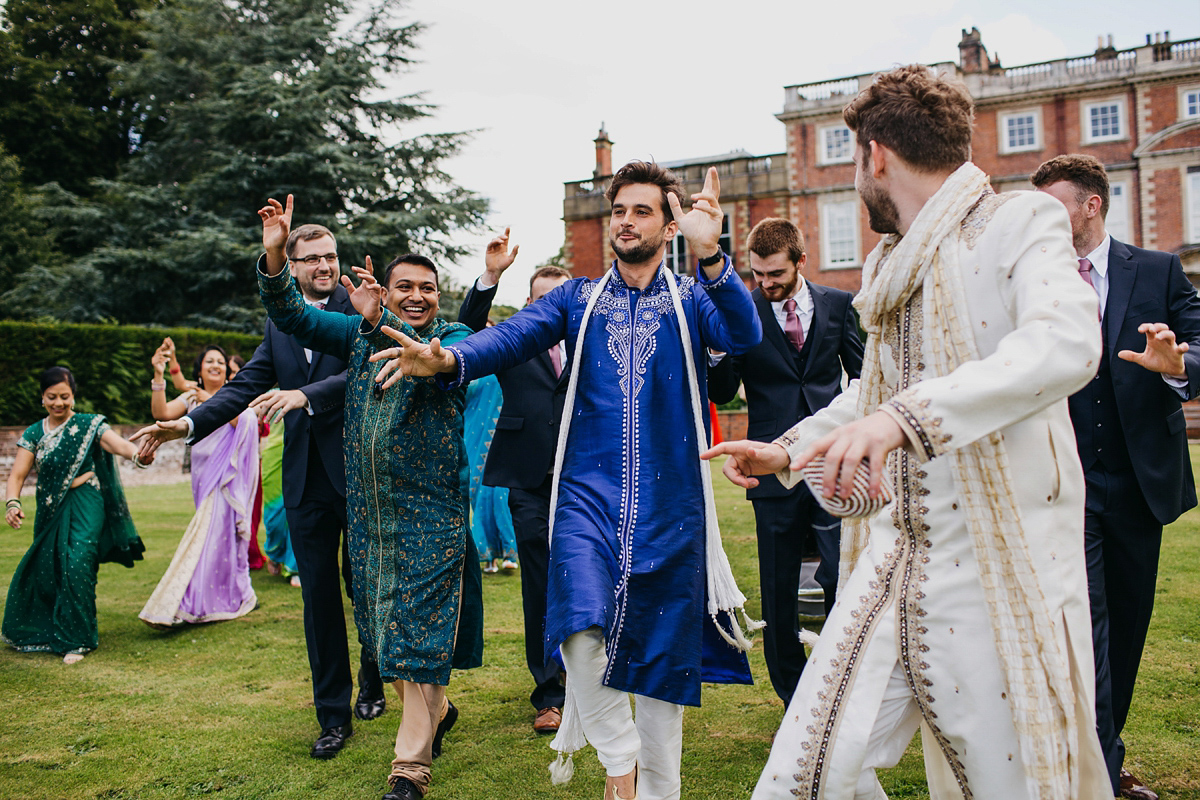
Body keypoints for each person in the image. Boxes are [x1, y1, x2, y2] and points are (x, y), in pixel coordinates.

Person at [704, 65, 1112, 799]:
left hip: (996, 579)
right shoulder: (889, 264)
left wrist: (907, 420)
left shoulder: (1019, 223)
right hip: (892, 565)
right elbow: (872, 393)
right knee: (802, 777)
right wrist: (787, 450)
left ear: (875, 155)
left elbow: (1066, 340)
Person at [373, 161, 762, 800]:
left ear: (668, 226)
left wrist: (713, 251)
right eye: (619, 211)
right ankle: (619, 757)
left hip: (672, 501)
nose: (626, 222)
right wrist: (450, 358)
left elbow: (743, 335)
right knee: (577, 623)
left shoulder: (691, 298)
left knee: (661, 655)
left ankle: (658, 790)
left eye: (641, 211)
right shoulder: (577, 300)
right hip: (584, 496)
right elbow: (512, 337)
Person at [254, 195, 484, 800]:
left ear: (439, 294)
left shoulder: (453, 338)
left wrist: (396, 325)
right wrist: (277, 252)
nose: (416, 296)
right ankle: (436, 712)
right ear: (387, 286)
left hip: (432, 515)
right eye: (403, 286)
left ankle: (409, 770)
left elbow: (435, 358)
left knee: (417, 639)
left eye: (427, 288)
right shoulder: (355, 335)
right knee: (383, 636)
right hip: (370, 519)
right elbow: (294, 317)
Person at [132, 223, 386, 760]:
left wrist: (305, 395)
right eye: (312, 258)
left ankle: (374, 675)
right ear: (290, 266)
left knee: (363, 587)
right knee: (318, 599)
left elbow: (365, 372)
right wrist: (187, 425)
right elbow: (246, 385)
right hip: (302, 481)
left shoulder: (362, 307)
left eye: (330, 256)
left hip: (357, 474)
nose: (324, 266)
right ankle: (333, 716)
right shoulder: (281, 323)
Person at [1032, 154, 1200, 800]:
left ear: (1091, 205)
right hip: (1066, 485)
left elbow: (1198, 342)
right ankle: (1099, 778)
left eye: (1053, 208)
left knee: (1126, 629)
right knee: (1090, 630)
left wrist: (1176, 365)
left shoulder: (1156, 271)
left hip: (1140, 484)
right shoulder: (1036, 280)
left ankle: (1103, 753)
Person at [707, 217, 863, 706]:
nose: (766, 284)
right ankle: (793, 693)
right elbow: (723, 391)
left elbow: (864, 378)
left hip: (832, 461)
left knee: (842, 573)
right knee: (777, 586)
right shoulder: (743, 310)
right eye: (757, 275)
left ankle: (842, 676)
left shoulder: (839, 305)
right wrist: (717, 349)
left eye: (775, 274)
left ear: (800, 261)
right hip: (768, 468)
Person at [457, 231, 573, 735]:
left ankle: (596, 683)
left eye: (560, 300)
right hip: (528, 479)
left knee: (594, 581)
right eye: (541, 300)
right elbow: (466, 332)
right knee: (540, 587)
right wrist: (490, 277)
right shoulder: (513, 341)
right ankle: (549, 694)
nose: (551, 309)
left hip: (585, 481)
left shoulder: (593, 340)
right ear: (528, 304)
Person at [3, 366, 149, 664]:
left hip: (86, 499)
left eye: (65, 397)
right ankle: (51, 630)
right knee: (51, 567)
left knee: (78, 561)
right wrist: (12, 503)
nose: (59, 403)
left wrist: (137, 454)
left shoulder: (89, 425)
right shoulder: (34, 433)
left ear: (74, 396)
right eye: (52, 397)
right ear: (42, 398)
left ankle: (77, 640)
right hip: (50, 507)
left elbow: (116, 444)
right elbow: (17, 475)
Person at [139, 344, 259, 627]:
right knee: (210, 538)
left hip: (226, 479)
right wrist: (159, 375)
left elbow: (244, 422)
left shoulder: (234, 394)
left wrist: (212, 400)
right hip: (202, 475)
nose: (216, 365)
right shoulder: (191, 396)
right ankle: (210, 597)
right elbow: (164, 413)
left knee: (215, 538)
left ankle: (204, 600)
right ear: (200, 369)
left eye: (220, 361)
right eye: (209, 361)